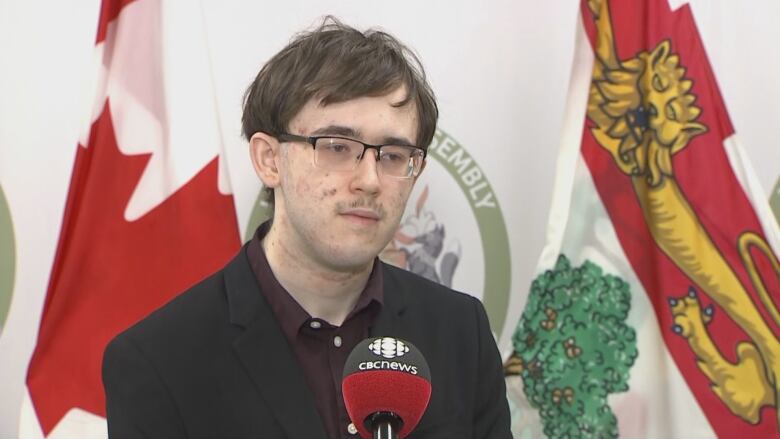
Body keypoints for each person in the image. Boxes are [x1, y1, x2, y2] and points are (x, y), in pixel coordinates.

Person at [102, 17, 511, 439]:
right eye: (337, 147)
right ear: (269, 160)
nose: (369, 180)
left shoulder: (462, 332)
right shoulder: (158, 361)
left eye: (392, 155)